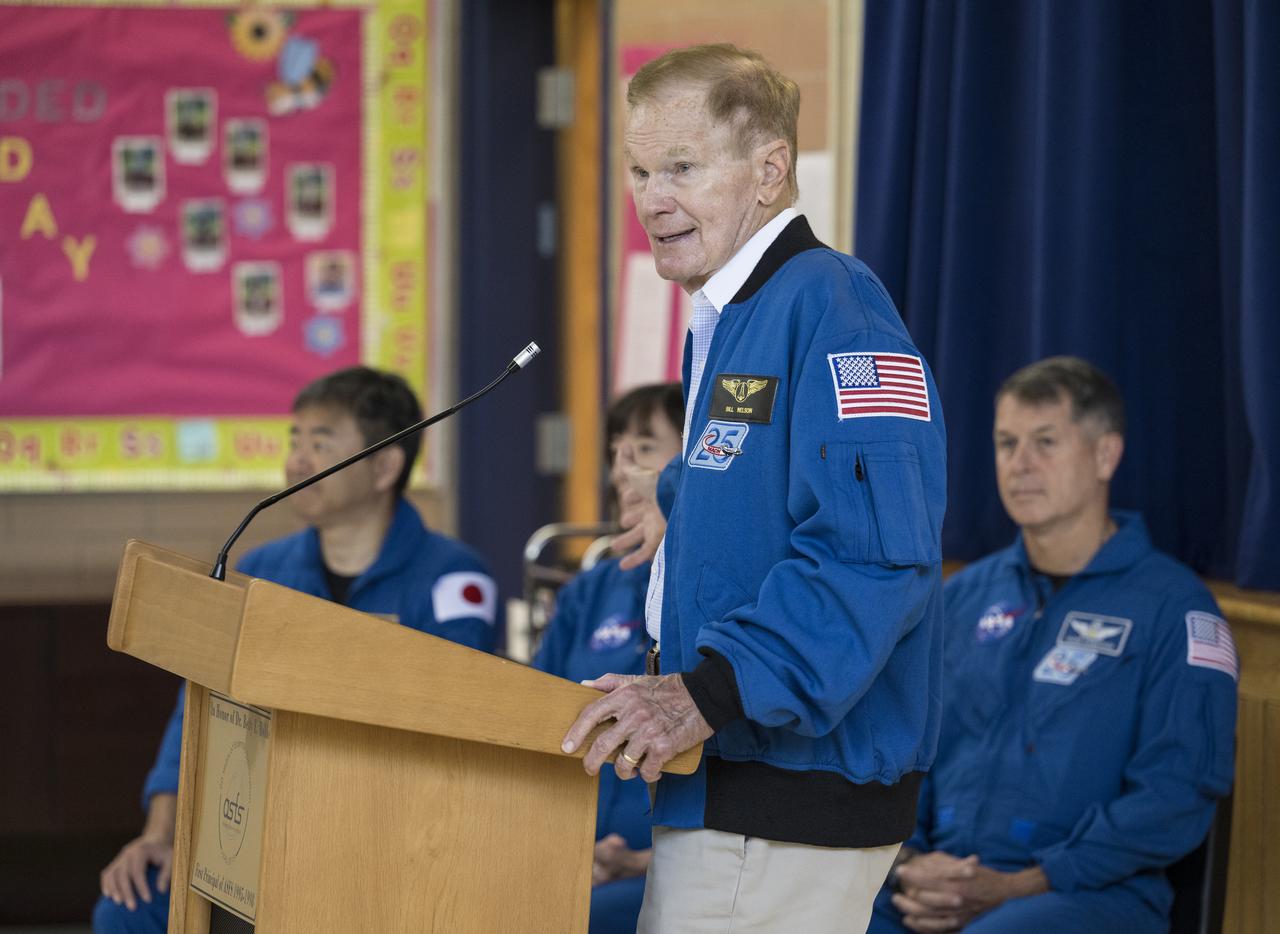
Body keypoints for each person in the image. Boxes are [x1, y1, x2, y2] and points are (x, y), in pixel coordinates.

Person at [561, 44, 948, 931]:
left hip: (789, 797)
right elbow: (762, 475)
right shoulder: (731, 314)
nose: (652, 198)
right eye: (639, 170)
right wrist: (681, 516)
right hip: (726, 791)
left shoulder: (837, 305)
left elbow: (879, 551)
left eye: (683, 168)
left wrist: (708, 694)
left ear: (770, 170)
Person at [93, 366, 500, 933]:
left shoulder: (450, 579)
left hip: (385, 844)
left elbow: (465, 726)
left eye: (322, 442)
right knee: (127, 910)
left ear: (385, 466)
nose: (299, 460)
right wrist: (159, 837)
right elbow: (196, 709)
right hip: (249, 838)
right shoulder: (259, 570)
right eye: (295, 441)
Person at [869, 356, 1237, 933]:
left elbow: (1175, 794)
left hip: (1089, 896)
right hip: (935, 883)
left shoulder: (1176, 609)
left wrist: (1019, 885)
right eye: (1006, 443)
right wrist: (909, 866)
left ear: (1105, 455)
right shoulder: (963, 597)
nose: (1021, 465)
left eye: (1045, 442)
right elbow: (898, 750)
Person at [532, 382, 684, 934]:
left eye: (643, 449)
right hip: (572, 853)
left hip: (678, 866)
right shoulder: (590, 589)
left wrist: (641, 861)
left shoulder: (714, 583)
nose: (621, 469)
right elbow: (532, 714)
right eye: (614, 451)